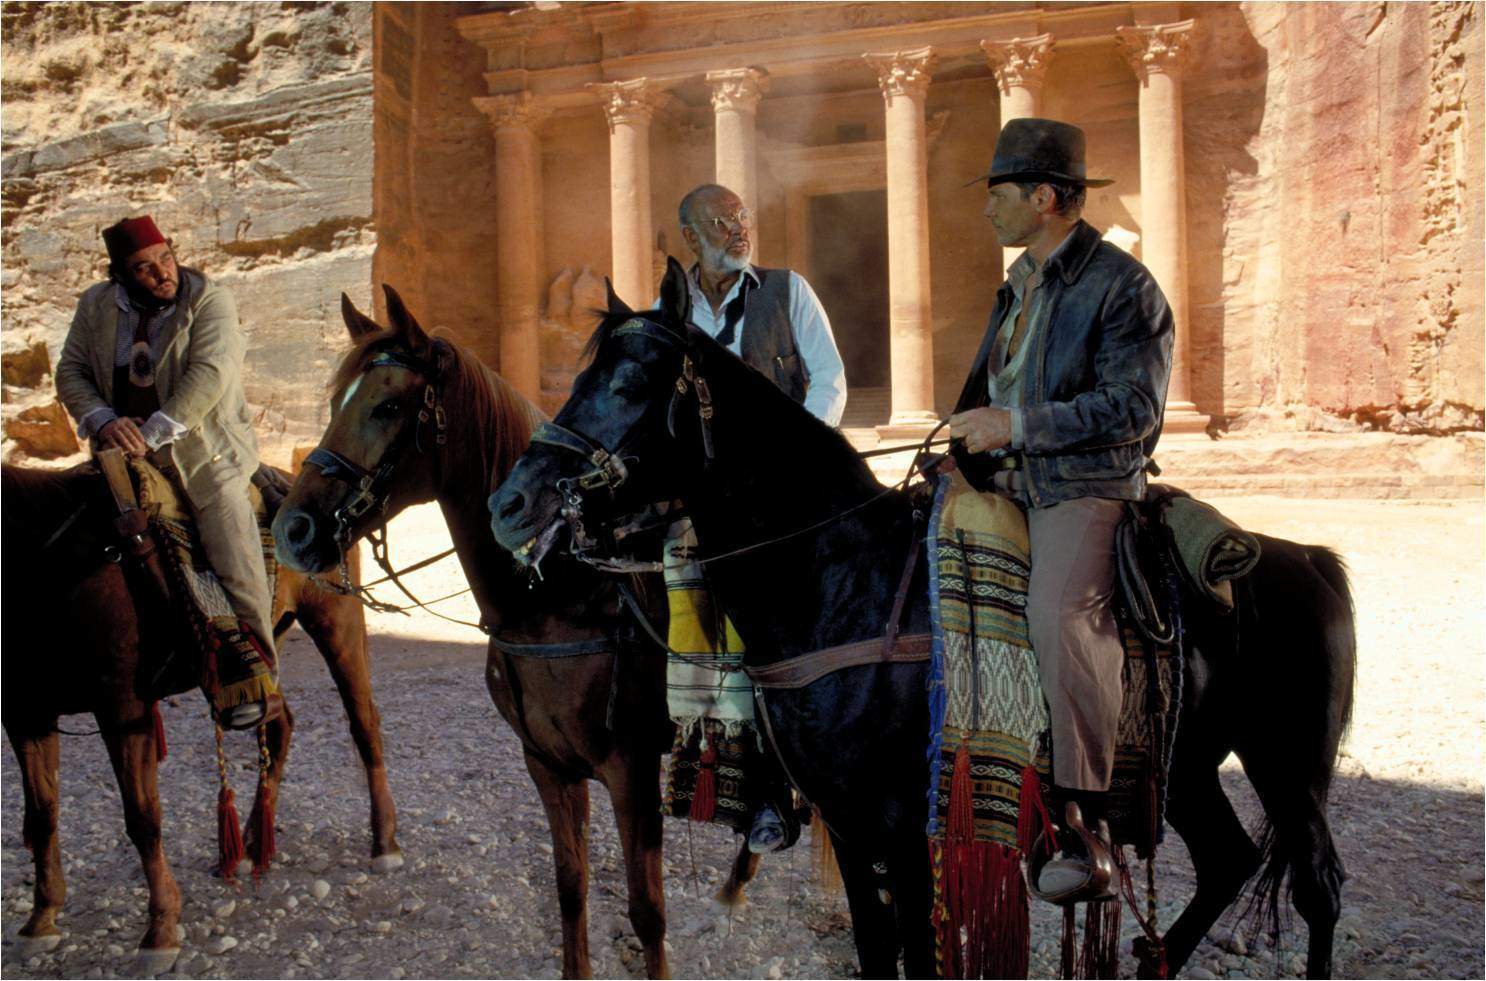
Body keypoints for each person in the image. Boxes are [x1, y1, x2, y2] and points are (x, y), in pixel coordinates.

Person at [947, 119, 1174, 893]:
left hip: (1085, 486)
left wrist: (1017, 426)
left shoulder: (1123, 285)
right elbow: (988, 393)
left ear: (1044, 198)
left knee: (1059, 614)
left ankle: (1086, 820)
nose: (987, 211)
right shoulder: (1016, 286)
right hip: (1006, 481)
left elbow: (1133, 409)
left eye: (999, 196)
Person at [665, 184, 846, 853]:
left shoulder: (787, 289)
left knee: (769, 627)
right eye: (720, 222)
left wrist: (796, 445)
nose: (738, 230)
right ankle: (693, 763)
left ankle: (780, 783)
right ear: (691, 236)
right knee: (661, 599)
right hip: (698, 493)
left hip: (780, 490)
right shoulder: (670, 305)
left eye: (744, 218)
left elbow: (829, 378)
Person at [56, 215, 279, 730]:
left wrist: (150, 433)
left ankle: (255, 673)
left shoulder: (209, 300)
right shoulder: (96, 305)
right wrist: (104, 421)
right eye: (144, 267)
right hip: (119, 451)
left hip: (204, 452)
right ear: (120, 274)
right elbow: (70, 371)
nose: (161, 273)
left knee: (230, 535)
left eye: (165, 258)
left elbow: (211, 374)